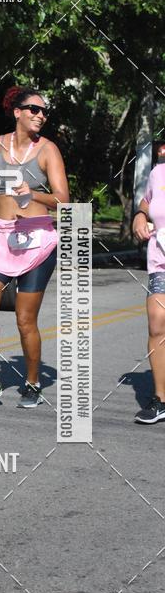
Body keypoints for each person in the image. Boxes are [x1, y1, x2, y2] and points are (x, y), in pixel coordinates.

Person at [0, 86, 70, 410]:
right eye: (34, 110)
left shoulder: (48, 150)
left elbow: (63, 200)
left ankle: (33, 382)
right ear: (17, 112)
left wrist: (32, 194)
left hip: (36, 239)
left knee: (26, 320)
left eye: (44, 112)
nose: (41, 116)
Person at [132, 156, 165, 423]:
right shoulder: (158, 172)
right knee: (157, 326)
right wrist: (140, 216)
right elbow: (147, 200)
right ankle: (161, 399)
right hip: (161, 261)